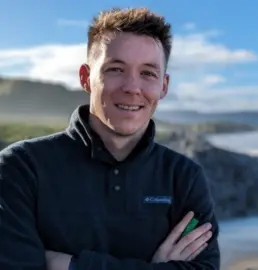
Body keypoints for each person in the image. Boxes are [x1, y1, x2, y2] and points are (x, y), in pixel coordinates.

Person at [0, 7, 220, 270]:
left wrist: (70, 265)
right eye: (116, 69)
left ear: (163, 86)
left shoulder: (184, 177)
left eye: (148, 73)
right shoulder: (22, 167)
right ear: (86, 78)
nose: (132, 87)